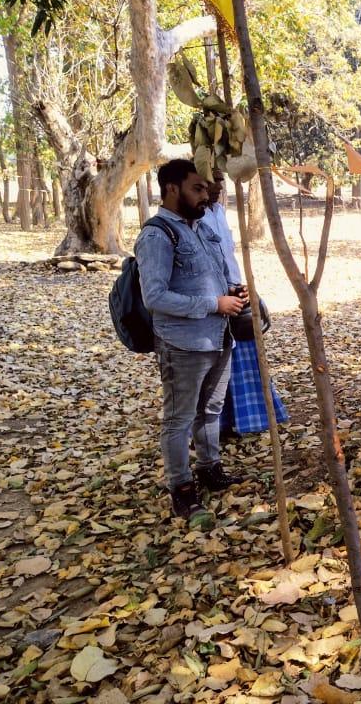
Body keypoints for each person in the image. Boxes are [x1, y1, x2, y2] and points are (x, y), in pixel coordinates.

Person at [135, 159, 245, 525]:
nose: (206, 194)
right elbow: (155, 297)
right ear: (171, 189)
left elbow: (211, 275)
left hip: (218, 337)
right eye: (197, 188)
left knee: (210, 411)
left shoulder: (199, 228)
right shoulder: (156, 235)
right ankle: (181, 489)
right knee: (179, 419)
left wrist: (231, 291)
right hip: (183, 345)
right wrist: (214, 303)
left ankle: (209, 467)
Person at [200, 170, 290, 438]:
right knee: (220, 365)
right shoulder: (194, 218)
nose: (217, 186)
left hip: (237, 293)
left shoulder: (218, 212)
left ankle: (252, 419)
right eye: (210, 180)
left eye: (219, 179)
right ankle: (220, 425)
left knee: (247, 355)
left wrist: (247, 289)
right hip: (215, 299)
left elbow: (229, 257)